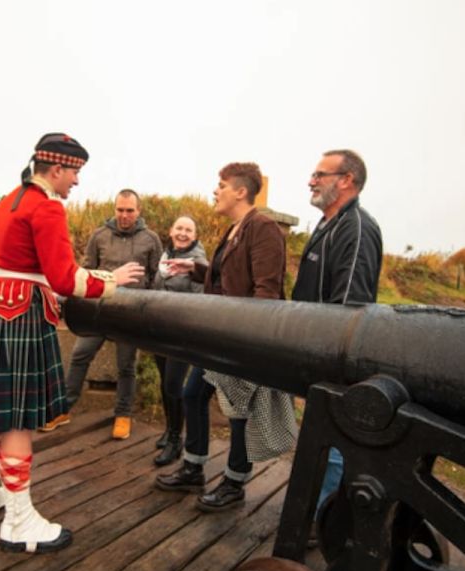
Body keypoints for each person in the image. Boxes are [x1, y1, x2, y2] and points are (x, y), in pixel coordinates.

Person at [0, 133, 143, 554]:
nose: (76, 183)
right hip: (20, 317)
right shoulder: (45, 207)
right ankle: (18, 521)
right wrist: (112, 280)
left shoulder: (9, 199)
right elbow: (65, 278)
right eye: (75, 173)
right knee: (15, 421)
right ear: (57, 168)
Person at [156, 162, 295, 512]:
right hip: (217, 337)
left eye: (220, 185)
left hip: (240, 339)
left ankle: (234, 483)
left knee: (238, 412)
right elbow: (227, 277)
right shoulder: (235, 228)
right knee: (192, 394)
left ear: (241, 191)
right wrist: (197, 268)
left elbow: (267, 292)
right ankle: (194, 466)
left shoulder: (262, 228)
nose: (215, 191)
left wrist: (248, 342)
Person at [291, 149, 383, 520]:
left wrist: (327, 358)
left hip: (334, 355)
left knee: (333, 444)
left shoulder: (356, 227)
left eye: (320, 174)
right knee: (320, 439)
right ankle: (316, 507)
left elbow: (350, 306)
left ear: (346, 180)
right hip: (314, 350)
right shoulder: (327, 224)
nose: (311, 180)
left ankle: (323, 518)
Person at [42, 190, 163, 440]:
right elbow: (86, 272)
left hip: (131, 315)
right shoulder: (99, 235)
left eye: (130, 210)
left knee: (126, 366)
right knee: (79, 355)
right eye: (120, 209)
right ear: (114, 208)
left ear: (138, 211)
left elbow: (156, 279)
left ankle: (123, 414)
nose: (124, 215)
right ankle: (63, 408)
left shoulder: (151, 239)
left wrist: (148, 313)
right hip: (99, 312)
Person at [151, 216, 207, 466]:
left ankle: (176, 439)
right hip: (160, 332)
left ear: (195, 236)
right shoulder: (165, 257)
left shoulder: (197, 263)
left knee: (174, 385)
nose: (183, 233)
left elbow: (199, 302)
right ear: (171, 231)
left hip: (180, 334)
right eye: (179, 228)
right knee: (165, 384)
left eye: (188, 230)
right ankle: (170, 428)